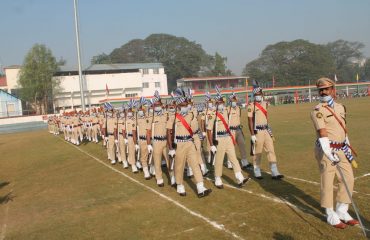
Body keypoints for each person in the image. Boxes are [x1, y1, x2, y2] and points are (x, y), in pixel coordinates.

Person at [310, 77, 359, 229]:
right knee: (328, 180)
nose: (323, 92)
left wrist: (348, 146)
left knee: (348, 178)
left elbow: (343, 130)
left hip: (342, 148)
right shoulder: (318, 111)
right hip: (327, 149)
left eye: (326, 89)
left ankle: (342, 210)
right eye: (321, 90)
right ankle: (330, 213)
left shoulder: (341, 107)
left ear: (333, 90)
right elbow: (322, 132)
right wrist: (329, 152)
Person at [166, 88, 211, 197]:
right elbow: (168, 133)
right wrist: (171, 148)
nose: (185, 106)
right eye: (182, 105)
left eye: (186, 104)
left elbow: (196, 108)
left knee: (195, 164)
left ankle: (201, 187)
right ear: (178, 106)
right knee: (179, 166)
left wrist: (193, 98)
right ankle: (180, 185)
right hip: (179, 144)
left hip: (190, 142)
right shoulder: (173, 117)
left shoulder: (190, 114)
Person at [207, 86, 250, 189]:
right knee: (219, 160)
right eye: (219, 103)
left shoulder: (227, 111)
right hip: (219, 139)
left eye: (222, 102)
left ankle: (240, 177)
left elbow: (233, 108)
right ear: (216, 104)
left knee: (233, 158)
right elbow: (209, 130)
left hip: (228, 138)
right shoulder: (213, 114)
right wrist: (212, 144)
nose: (221, 104)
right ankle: (217, 178)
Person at [247, 82, 284, 180]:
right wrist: (252, 134)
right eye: (257, 95)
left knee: (271, 150)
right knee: (258, 152)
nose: (259, 96)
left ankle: (274, 171)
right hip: (257, 131)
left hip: (266, 130)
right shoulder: (251, 106)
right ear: (254, 95)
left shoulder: (265, 104)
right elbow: (250, 121)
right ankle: (257, 170)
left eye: (260, 94)